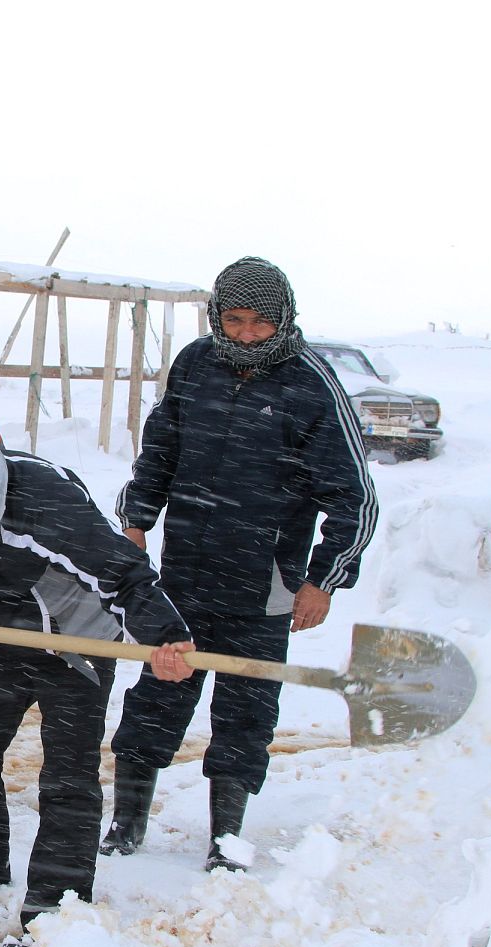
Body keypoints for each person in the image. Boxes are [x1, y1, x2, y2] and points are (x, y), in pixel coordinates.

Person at [0, 415, 195, 936]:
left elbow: (122, 572)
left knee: (67, 773)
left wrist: (165, 636)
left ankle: (57, 903)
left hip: (79, 639)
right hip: (15, 629)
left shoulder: (44, 499)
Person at [105, 256, 377, 870]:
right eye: (234, 320)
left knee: (246, 708)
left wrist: (323, 579)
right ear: (216, 318)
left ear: (282, 317)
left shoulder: (310, 384)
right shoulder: (195, 366)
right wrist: (137, 519)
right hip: (185, 574)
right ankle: (126, 820)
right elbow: (161, 446)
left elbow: (353, 496)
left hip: (266, 582)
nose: (247, 333)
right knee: (159, 689)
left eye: (259, 321)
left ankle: (226, 836)